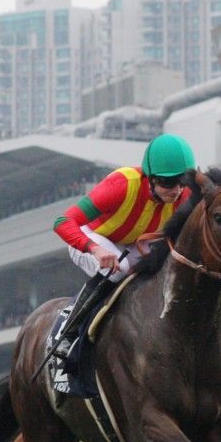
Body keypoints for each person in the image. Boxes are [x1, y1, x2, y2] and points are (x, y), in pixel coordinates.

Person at [49, 133, 197, 359]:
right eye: (168, 182)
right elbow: (63, 222)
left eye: (181, 182)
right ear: (150, 177)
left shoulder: (184, 196)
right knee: (119, 269)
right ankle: (68, 332)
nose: (176, 190)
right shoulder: (122, 185)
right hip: (91, 237)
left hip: (133, 242)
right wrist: (95, 249)